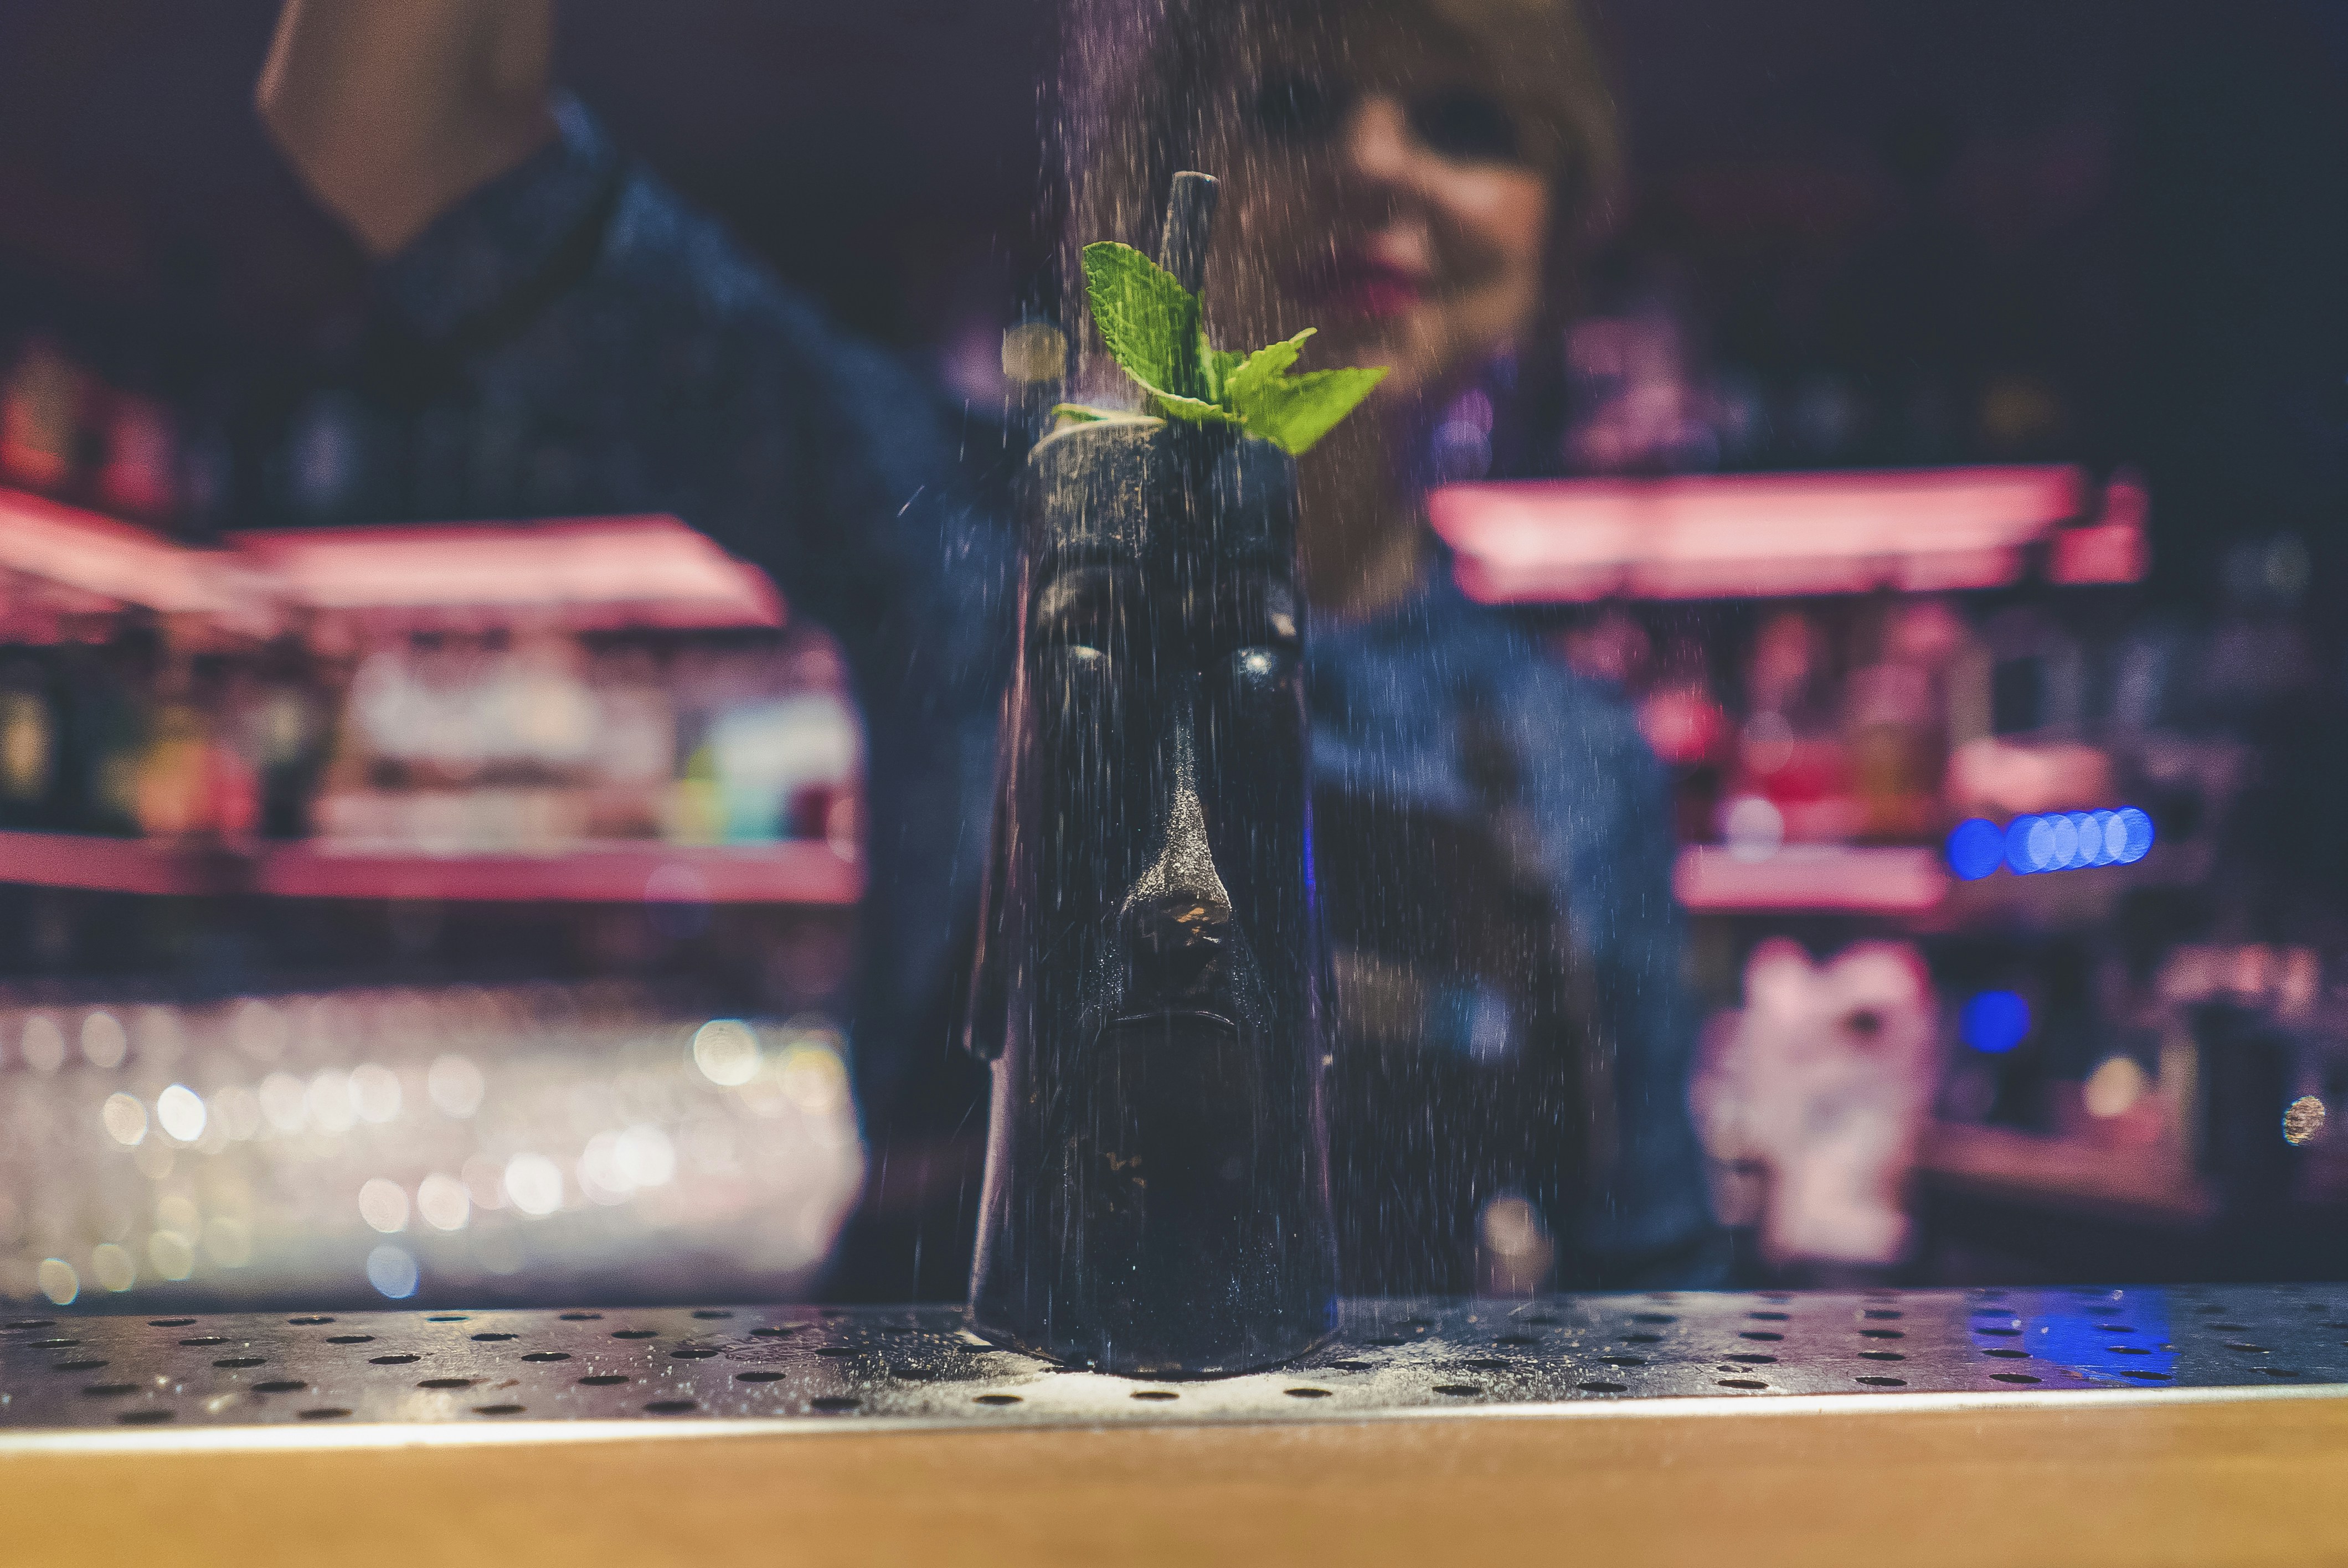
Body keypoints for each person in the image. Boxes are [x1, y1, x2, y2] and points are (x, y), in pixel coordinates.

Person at [256, 0, 1719, 1296]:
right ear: (1160, 189)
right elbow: (399, 130)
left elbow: (1656, 1288)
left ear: (1556, 219)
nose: (1379, 161)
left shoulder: (1575, 761)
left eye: (1466, 122)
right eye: (1291, 101)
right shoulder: (960, 536)